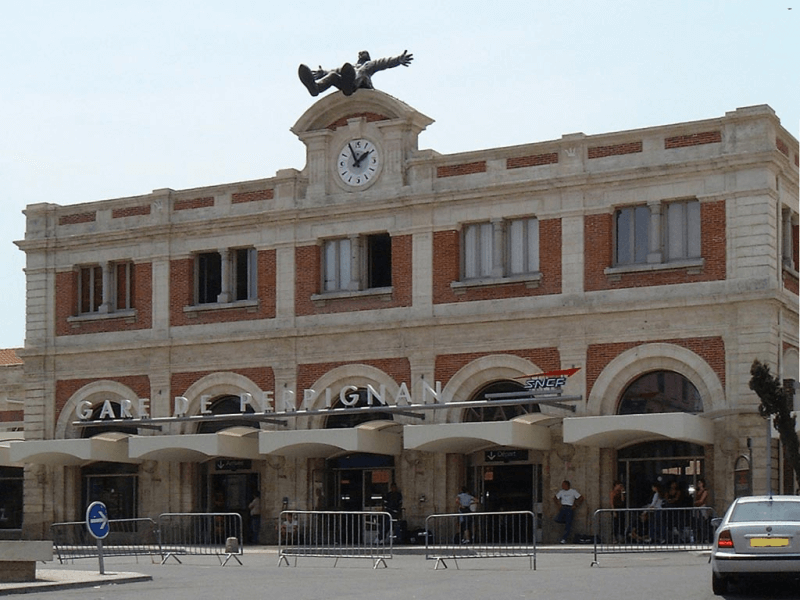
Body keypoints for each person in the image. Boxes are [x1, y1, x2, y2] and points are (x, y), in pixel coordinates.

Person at [298, 50, 413, 97]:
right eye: (361, 54)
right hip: (348, 81)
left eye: (364, 54)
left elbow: (384, 62)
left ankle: (349, 86)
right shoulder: (350, 68)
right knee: (334, 75)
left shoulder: (369, 65)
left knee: (361, 74)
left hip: (363, 85)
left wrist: (398, 59)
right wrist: (323, 72)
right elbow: (333, 71)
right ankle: (315, 88)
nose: (362, 55)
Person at [692, 478, 711, 543]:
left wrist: (696, 502)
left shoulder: (705, 491)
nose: (699, 484)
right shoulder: (697, 492)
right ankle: (698, 538)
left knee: (703, 523)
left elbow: (701, 500)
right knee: (697, 523)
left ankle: (704, 538)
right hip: (697, 508)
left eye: (700, 483)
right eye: (698, 483)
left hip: (702, 507)